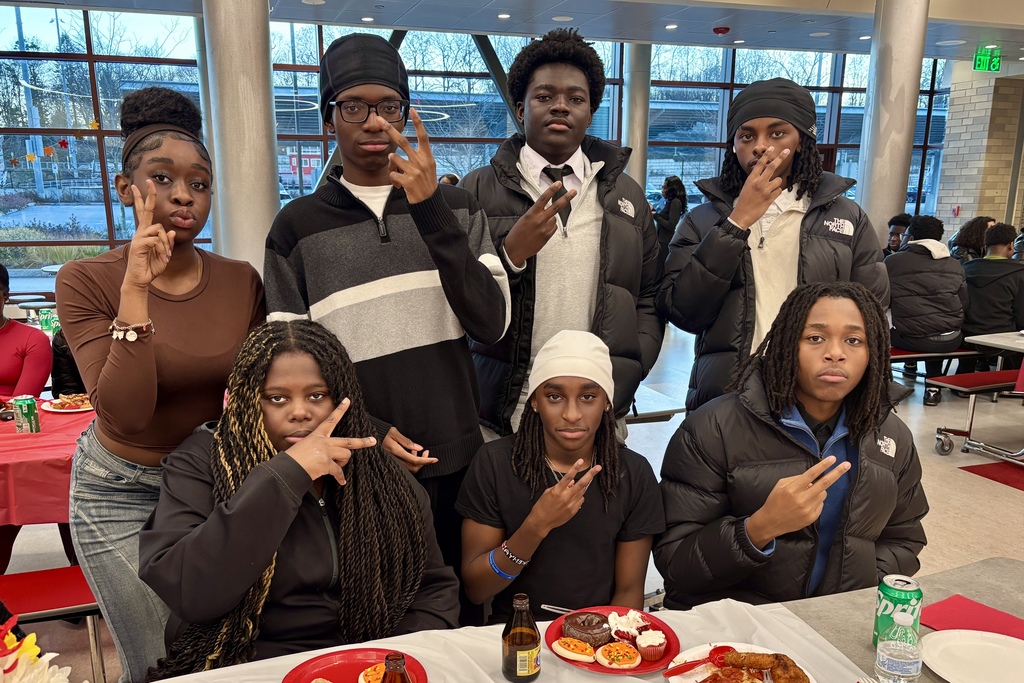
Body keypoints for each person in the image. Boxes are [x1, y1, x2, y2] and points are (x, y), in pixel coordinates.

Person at [263, 34, 510, 610]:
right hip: (354, 464)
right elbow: (286, 362)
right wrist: (368, 430)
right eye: (354, 107)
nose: (374, 122)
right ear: (330, 121)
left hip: (457, 459)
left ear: (407, 112)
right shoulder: (295, 230)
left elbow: (491, 323)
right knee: (375, 614)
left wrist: (430, 210)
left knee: (462, 617)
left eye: (388, 106)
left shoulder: (458, 209)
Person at [55, 87, 265, 682]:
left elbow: (252, 394)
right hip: (118, 490)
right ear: (126, 190)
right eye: (162, 178)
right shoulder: (85, 280)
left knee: (222, 650)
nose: (182, 195)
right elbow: (124, 410)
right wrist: (136, 291)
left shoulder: (239, 280)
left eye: (199, 183)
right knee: (160, 660)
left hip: (205, 482)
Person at [139, 321, 459, 677]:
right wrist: (287, 476)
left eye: (316, 396)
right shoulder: (201, 463)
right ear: (248, 401)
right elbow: (191, 594)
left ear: (341, 398)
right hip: (250, 663)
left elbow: (432, 587)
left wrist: (390, 663)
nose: (300, 412)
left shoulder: (380, 474)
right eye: (277, 398)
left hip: (366, 660)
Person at [655, 282, 928, 609]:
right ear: (786, 345)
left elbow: (905, 538)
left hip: (833, 627)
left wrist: (854, 593)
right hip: (737, 629)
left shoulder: (892, 436)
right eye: (815, 338)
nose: (836, 353)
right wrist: (758, 529)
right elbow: (676, 565)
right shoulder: (713, 428)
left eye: (854, 340)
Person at [460, 28, 663, 438]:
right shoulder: (476, 191)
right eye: (544, 96)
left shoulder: (625, 195)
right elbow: (455, 298)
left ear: (591, 112)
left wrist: (628, 369)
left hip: (597, 408)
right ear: (520, 109)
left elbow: (649, 296)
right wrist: (510, 256)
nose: (560, 107)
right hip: (500, 414)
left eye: (575, 99)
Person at [655, 77, 889, 413]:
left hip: (819, 395)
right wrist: (737, 223)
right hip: (728, 393)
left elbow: (872, 318)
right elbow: (684, 313)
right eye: (746, 135)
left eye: (777, 133)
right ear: (733, 144)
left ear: (801, 140)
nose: (761, 146)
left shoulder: (847, 218)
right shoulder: (703, 219)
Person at [456, 330, 664, 623]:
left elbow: (629, 591)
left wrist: (598, 641)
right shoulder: (494, 464)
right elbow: (477, 588)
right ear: (535, 401)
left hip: (600, 636)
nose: (571, 414)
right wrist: (536, 526)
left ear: (607, 402)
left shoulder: (633, 474)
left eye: (588, 397)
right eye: (554, 396)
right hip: (517, 636)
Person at [0, 263, 71, 574]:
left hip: (24, 434)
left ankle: (80, 579)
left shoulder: (32, 339)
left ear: (5, 296)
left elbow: (23, 400)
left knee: (64, 489)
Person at [885, 215, 968, 404]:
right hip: (951, 339)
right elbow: (965, 302)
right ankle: (933, 388)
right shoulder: (955, 264)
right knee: (936, 324)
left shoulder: (893, 261)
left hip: (912, 339)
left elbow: (883, 299)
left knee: (884, 329)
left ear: (911, 236)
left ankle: (884, 385)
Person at [961, 223, 1024, 371]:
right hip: (1002, 340)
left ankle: (964, 372)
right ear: (1010, 245)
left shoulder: (965, 268)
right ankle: (1009, 379)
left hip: (966, 336)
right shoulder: (1019, 274)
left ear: (984, 245)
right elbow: (1021, 316)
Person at [652, 175, 688, 258]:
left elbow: (671, 225)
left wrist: (655, 216)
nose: (662, 191)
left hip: (666, 242)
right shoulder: (670, 202)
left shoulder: (675, 203)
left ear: (672, 189)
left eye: (665, 188)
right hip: (661, 240)